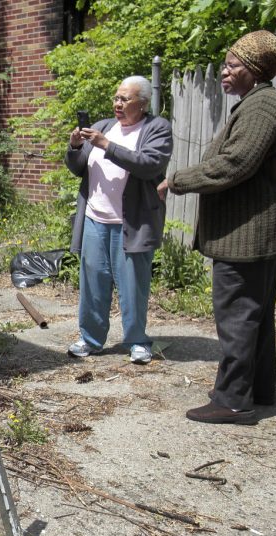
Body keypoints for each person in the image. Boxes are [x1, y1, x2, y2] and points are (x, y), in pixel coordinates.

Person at [157, 31, 276, 425]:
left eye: (232, 65)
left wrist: (176, 181)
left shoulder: (262, 109)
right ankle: (257, 389)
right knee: (254, 314)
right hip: (260, 231)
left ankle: (233, 401)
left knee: (238, 316)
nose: (225, 72)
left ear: (254, 70)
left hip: (249, 234)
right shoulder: (261, 103)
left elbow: (234, 164)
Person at [65, 76, 173, 365]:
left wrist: (107, 146)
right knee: (93, 282)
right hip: (95, 219)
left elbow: (150, 166)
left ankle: (137, 341)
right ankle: (90, 339)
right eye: (116, 98)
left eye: (125, 99)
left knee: (133, 285)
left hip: (132, 222)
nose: (118, 104)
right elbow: (78, 169)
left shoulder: (156, 129)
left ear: (144, 103)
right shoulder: (102, 127)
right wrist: (75, 147)